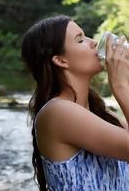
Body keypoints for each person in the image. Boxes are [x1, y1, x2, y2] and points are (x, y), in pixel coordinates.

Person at [21, 15, 129, 191]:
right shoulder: (58, 112)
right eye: (80, 40)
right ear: (61, 60)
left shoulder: (101, 115)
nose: (93, 42)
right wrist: (120, 85)